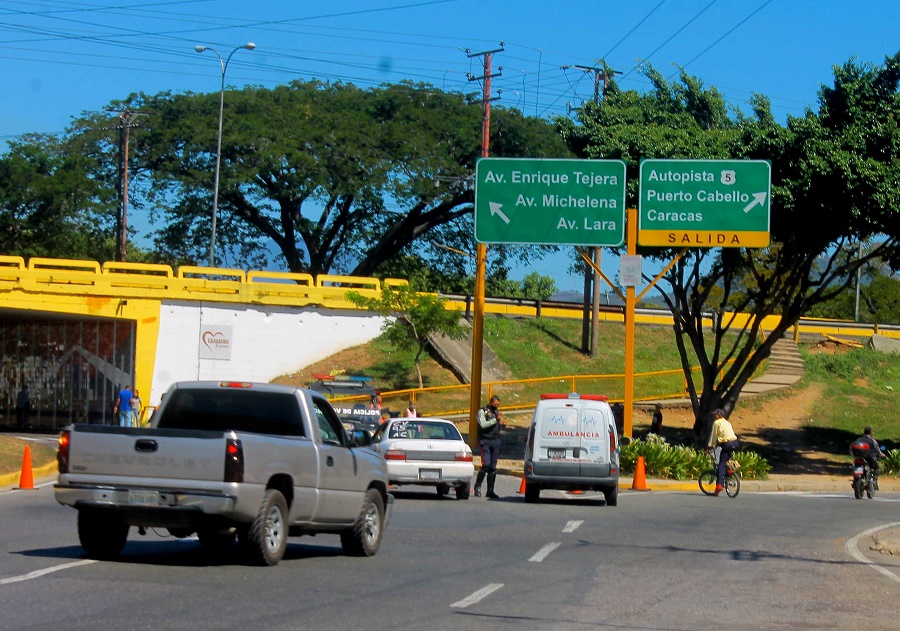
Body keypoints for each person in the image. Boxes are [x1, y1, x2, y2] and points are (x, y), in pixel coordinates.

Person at [473, 395, 506, 499]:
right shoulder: (482, 411)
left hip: (495, 440)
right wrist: (495, 420)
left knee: (492, 467)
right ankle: (477, 486)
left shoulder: (497, 412)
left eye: (497, 405)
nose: (496, 406)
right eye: (494, 404)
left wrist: (502, 423)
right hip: (485, 440)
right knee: (486, 464)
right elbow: (483, 424)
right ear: (490, 402)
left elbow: (497, 423)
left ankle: (490, 490)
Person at [707, 408, 739, 496]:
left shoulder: (716, 423)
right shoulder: (727, 422)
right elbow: (726, 435)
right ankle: (729, 472)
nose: (714, 416)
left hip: (726, 444)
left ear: (719, 415)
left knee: (721, 464)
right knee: (728, 461)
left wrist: (709, 447)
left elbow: (713, 436)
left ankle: (719, 485)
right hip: (735, 443)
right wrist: (718, 444)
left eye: (715, 415)